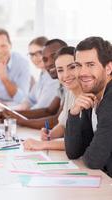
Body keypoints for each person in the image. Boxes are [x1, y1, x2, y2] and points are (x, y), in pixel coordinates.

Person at [65, 36, 112, 177]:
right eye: (78, 65)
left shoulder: (110, 101)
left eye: (90, 64)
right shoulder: (92, 96)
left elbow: (93, 159)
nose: (82, 73)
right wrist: (73, 113)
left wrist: (88, 153)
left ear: (109, 68)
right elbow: (74, 151)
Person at [0, 39, 67, 129]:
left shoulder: (65, 82)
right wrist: (12, 114)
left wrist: (21, 120)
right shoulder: (57, 82)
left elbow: (57, 120)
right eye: (45, 59)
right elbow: (48, 111)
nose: (49, 63)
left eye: (54, 56)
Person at [23, 46, 82, 151]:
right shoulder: (69, 92)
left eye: (72, 67)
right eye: (60, 70)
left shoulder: (90, 96)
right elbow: (63, 124)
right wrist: (51, 134)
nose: (66, 75)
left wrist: (42, 145)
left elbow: (81, 141)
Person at [16, 36, 60, 110]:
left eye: (39, 53)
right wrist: (22, 107)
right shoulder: (43, 74)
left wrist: (18, 113)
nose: (35, 58)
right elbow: (30, 99)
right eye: (32, 54)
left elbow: (42, 108)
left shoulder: (54, 77)